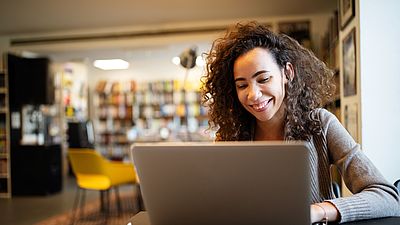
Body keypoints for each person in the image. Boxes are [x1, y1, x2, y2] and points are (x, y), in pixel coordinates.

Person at [201, 21, 400, 224]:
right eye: (242, 85)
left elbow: (387, 197)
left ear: (287, 73)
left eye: (263, 79)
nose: (253, 95)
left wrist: (318, 211)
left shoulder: (321, 123)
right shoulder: (230, 136)